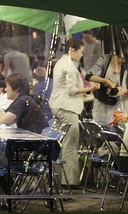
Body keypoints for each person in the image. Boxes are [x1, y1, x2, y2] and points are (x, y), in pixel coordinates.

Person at [50, 37, 100, 187]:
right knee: (70, 144)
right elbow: (72, 90)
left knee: (60, 145)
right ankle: (70, 182)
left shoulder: (60, 63)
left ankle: (58, 178)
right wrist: (91, 88)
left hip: (58, 106)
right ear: (72, 50)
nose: (82, 55)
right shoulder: (69, 66)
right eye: (81, 52)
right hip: (68, 108)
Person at [87, 49, 128, 124]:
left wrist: (125, 91)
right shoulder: (105, 59)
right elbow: (88, 76)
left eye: (123, 58)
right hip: (103, 103)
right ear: (113, 52)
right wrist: (106, 81)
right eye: (118, 57)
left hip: (121, 105)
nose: (120, 60)